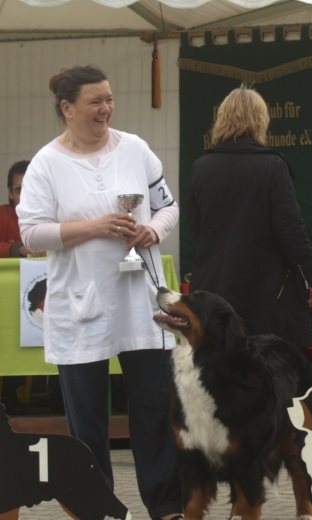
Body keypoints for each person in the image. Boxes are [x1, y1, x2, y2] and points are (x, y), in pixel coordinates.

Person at [15, 65, 183, 520]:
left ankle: (166, 505)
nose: (106, 108)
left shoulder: (136, 149)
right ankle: (97, 508)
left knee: (153, 410)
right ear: (67, 109)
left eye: (109, 99)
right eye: (95, 101)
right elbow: (31, 234)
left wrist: (151, 229)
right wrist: (94, 227)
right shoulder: (46, 164)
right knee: (86, 421)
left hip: (140, 305)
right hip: (79, 308)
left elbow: (168, 207)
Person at [189, 86, 312, 355]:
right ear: (261, 121)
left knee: (218, 371)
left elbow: (194, 229)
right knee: (262, 373)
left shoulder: (200, 167)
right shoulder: (273, 166)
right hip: (263, 290)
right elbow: (291, 229)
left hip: (214, 288)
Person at [1, 160, 40, 258]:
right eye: (19, 190)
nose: (25, 195)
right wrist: (17, 249)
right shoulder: (2, 215)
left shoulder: (52, 216)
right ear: (11, 193)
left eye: (30, 189)